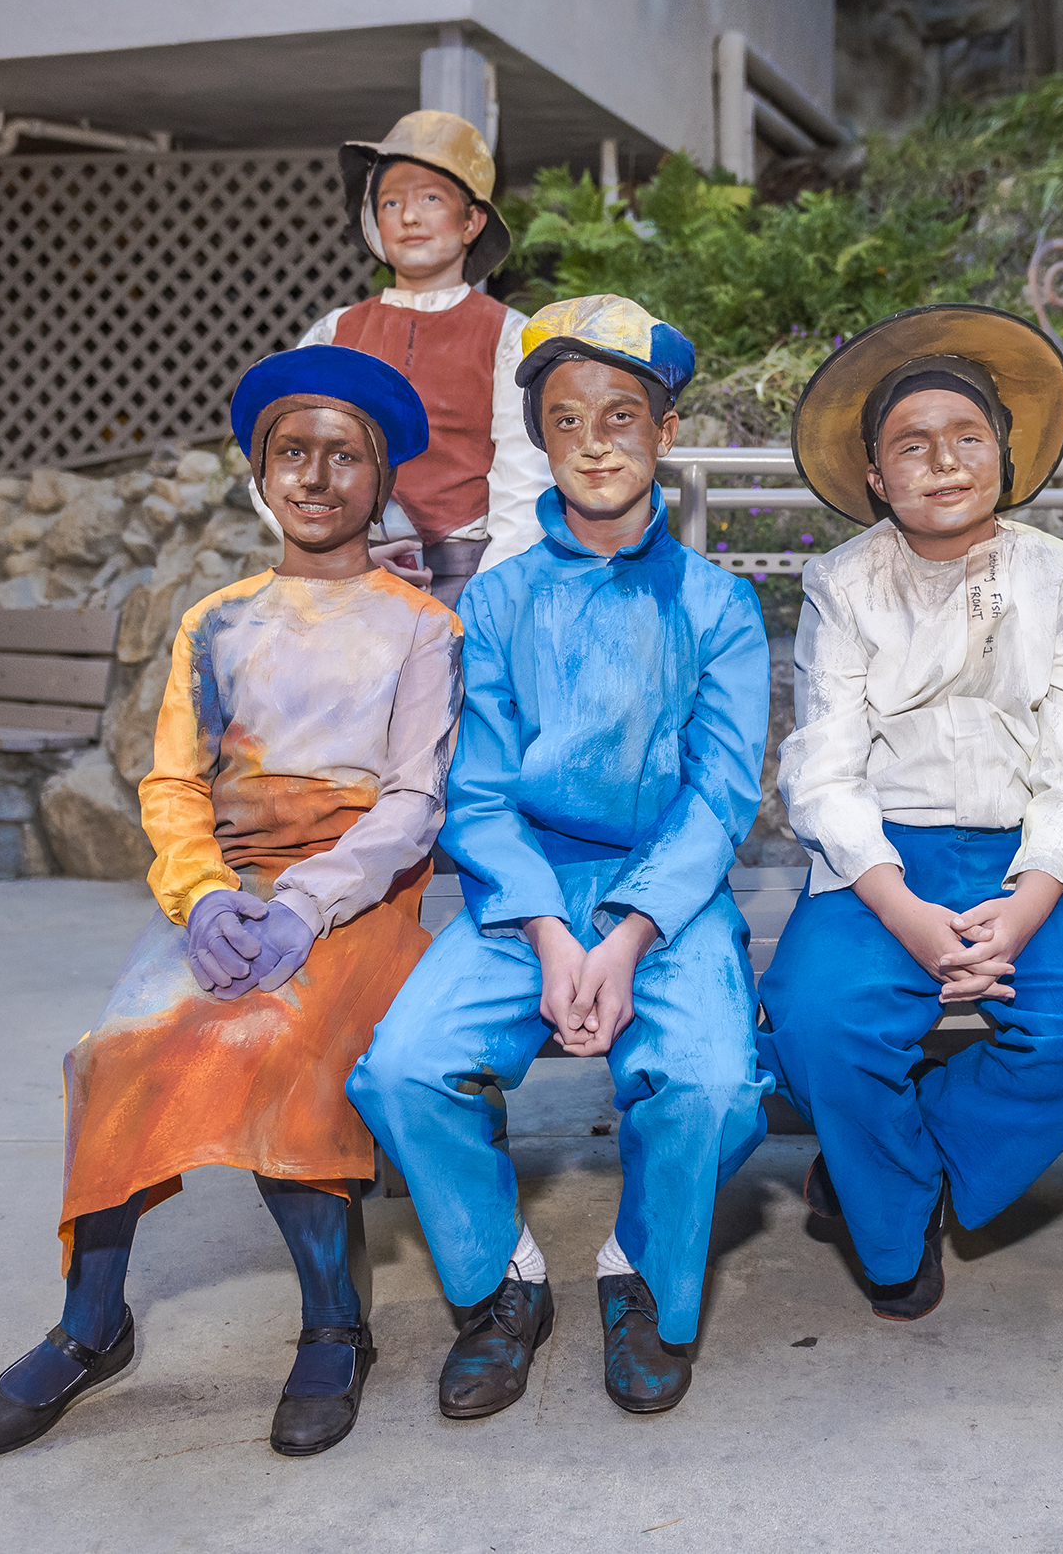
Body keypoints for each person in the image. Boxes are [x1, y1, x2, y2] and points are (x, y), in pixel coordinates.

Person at [0, 347, 465, 1459]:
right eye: (295, 452)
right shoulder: (214, 622)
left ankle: (337, 1321)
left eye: (346, 457)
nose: (318, 477)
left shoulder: (421, 626)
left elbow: (417, 801)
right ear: (259, 470)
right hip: (228, 892)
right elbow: (175, 782)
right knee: (117, 1049)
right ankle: (93, 1325)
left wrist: (306, 906)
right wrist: (202, 898)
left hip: (356, 895)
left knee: (277, 1038)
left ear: (380, 483)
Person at [348, 293, 772, 1418]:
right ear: (539, 434)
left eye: (622, 415)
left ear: (666, 433)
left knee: (716, 1081)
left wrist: (627, 935)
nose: (595, 441)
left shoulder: (720, 604)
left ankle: (641, 1270)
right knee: (402, 1066)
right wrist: (545, 931)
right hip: (520, 888)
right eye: (569, 417)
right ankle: (500, 1282)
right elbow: (477, 792)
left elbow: (722, 791)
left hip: (665, 898)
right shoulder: (492, 604)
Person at [757, 304, 1063, 1321]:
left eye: (967, 437)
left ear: (1006, 452)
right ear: (873, 476)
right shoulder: (843, 582)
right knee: (817, 1022)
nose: (942, 462)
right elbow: (823, 764)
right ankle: (894, 1231)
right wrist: (895, 904)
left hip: (1027, 858)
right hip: (879, 863)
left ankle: (879, 1172)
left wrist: (1029, 902)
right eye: (911, 444)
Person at [265, 109, 551, 604]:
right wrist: (326, 553)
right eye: (391, 201)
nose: (409, 217)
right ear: (374, 222)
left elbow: (523, 484)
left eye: (431, 199)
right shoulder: (335, 333)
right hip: (344, 580)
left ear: (471, 221)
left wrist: (492, 599)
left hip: (467, 581)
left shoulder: (508, 335)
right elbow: (274, 456)